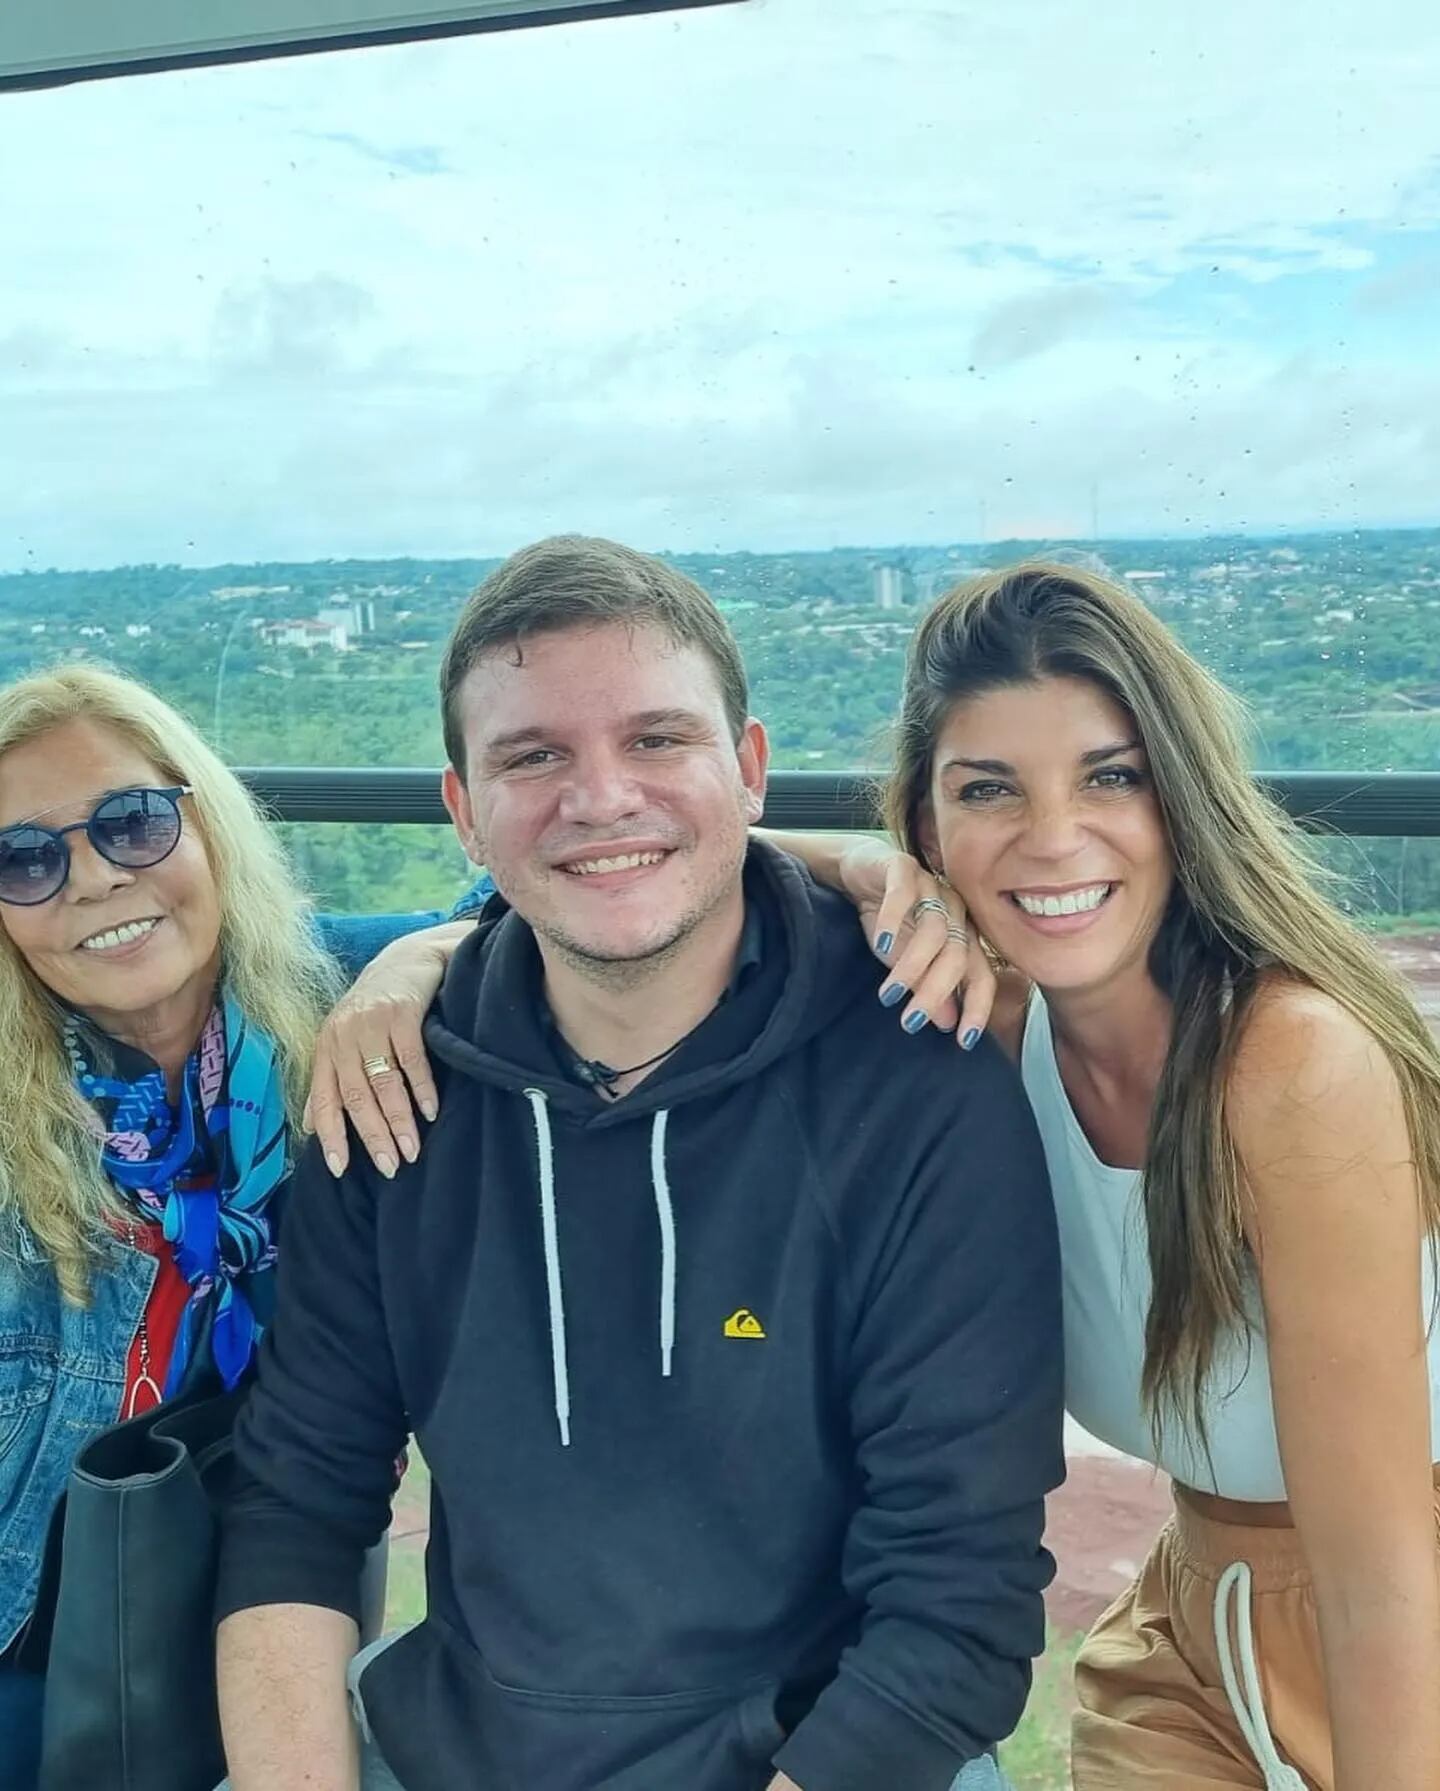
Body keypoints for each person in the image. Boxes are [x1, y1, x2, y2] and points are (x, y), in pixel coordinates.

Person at [213, 535, 1065, 1791]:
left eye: (659, 740)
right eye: (532, 756)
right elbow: (298, 1500)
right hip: (454, 1747)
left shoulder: (917, 1082)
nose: (601, 797)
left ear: (751, 767)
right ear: (461, 808)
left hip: (823, 1754)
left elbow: (958, 1607)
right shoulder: (388, 1089)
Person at [762, 562, 1440, 1791]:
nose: (1055, 837)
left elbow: (1379, 1575)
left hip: (1405, 1632)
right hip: (1192, 1635)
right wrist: (425, 961)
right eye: (988, 790)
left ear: (1178, 797)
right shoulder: (991, 1036)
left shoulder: (1288, 1066)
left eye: (1110, 775)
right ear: (928, 826)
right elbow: (683, 868)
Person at [0, 663, 482, 1791]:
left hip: (269, 1616)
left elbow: (585, 896)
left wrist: (421, 958)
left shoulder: (338, 1001)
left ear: (203, 820)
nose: (91, 881)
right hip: (27, 1652)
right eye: (25, 857)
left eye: (130, 823)